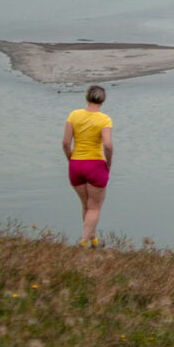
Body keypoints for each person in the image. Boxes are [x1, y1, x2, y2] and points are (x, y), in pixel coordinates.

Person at [63, 84, 113, 247]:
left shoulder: (74, 115)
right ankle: (84, 241)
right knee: (95, 207)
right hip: (95, 165)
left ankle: (93, 240)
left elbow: (65, 142)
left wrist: (70, 158)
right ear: (103, 101)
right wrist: (109, 162)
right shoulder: (104, 119)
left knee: (86, 205)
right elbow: (107, 145)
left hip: (76, 164)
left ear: (86, 97)